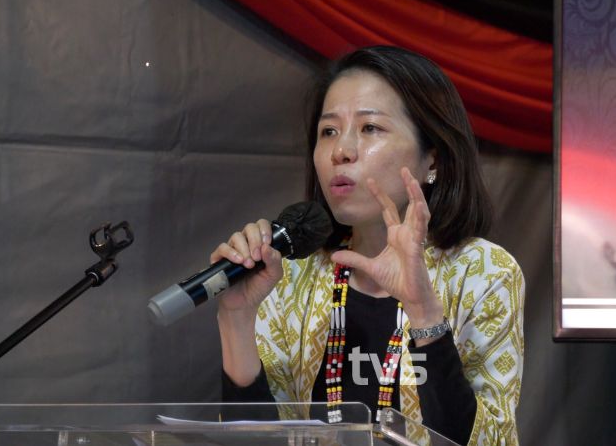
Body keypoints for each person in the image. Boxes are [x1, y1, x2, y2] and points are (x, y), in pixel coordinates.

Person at [213, 45, 524, 446]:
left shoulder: (484, 272)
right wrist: (237, 319)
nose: (341, 151)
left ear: (433, 159)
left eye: (370, 128)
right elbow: (261, 441)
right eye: (328, 131)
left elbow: (490, 440)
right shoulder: (290, 275)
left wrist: (423, 312)